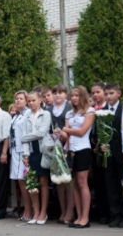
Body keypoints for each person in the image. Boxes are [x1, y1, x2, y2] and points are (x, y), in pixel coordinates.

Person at [60, 86, 96, 229]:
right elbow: (67, 134)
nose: (74, 98)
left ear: (83, 96)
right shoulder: (69, 113)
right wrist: (62, 133)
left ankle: (85, 217)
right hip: (70, 150)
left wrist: (66, 129)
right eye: (72, 96)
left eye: (77, 95)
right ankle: (79, 216)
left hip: (83, 149)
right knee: (73, 184)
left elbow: (82, 132)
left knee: (82, 183)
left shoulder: (90, 111)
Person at [102, 83, 123, 228]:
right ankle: (115, 214)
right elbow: (100, 131)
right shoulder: (102, 111)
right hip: (108, 154)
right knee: (111, 185)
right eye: (106, 94)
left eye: (111, 93)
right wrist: (101, 144)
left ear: (119, 93)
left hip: (121, 152)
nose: (108, 96)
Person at [22, 90, 52, 224]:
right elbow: (25, 137)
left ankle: (43, 212)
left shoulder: (45, 114)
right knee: (32, 181)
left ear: (40, 100)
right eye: (29, 101)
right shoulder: (27, 116)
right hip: (32, 150)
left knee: (43, 180)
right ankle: (36, 211)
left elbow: (41, 133)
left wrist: (24, 138)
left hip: (42, 150)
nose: (31, 103)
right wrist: (25, 154)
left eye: (33, 100)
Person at [47, 84, 75, 224]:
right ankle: (63, 211)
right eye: (55, 93)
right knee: (58, 180)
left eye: (61, 93)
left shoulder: (70, 108)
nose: (57, 95)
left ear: (65, 94)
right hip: (55, 146)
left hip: (68, 146)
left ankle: (70, 212)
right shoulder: (49, 109)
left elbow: (73, 127)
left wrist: (65, 136)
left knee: (68, 180)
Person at [9, 90, 33, 221]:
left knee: (24, 180)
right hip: (15, 150)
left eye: (21, 98)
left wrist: (26, 153)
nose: (18, 100)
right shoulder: (16, 115)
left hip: (23, 150)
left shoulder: (28, 113)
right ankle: (26, 209)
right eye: (16, 98)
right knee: (19, 180)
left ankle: (29, 210)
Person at [89, 81, 109, 223]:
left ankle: (112, 211)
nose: (95, 95)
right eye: (93, 93)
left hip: (107, 149)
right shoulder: (91, 109)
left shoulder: (108, 108)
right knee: (98, 182)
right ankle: (102, 212)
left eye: (98, 92)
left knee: (109, 182)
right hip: (95, 149)